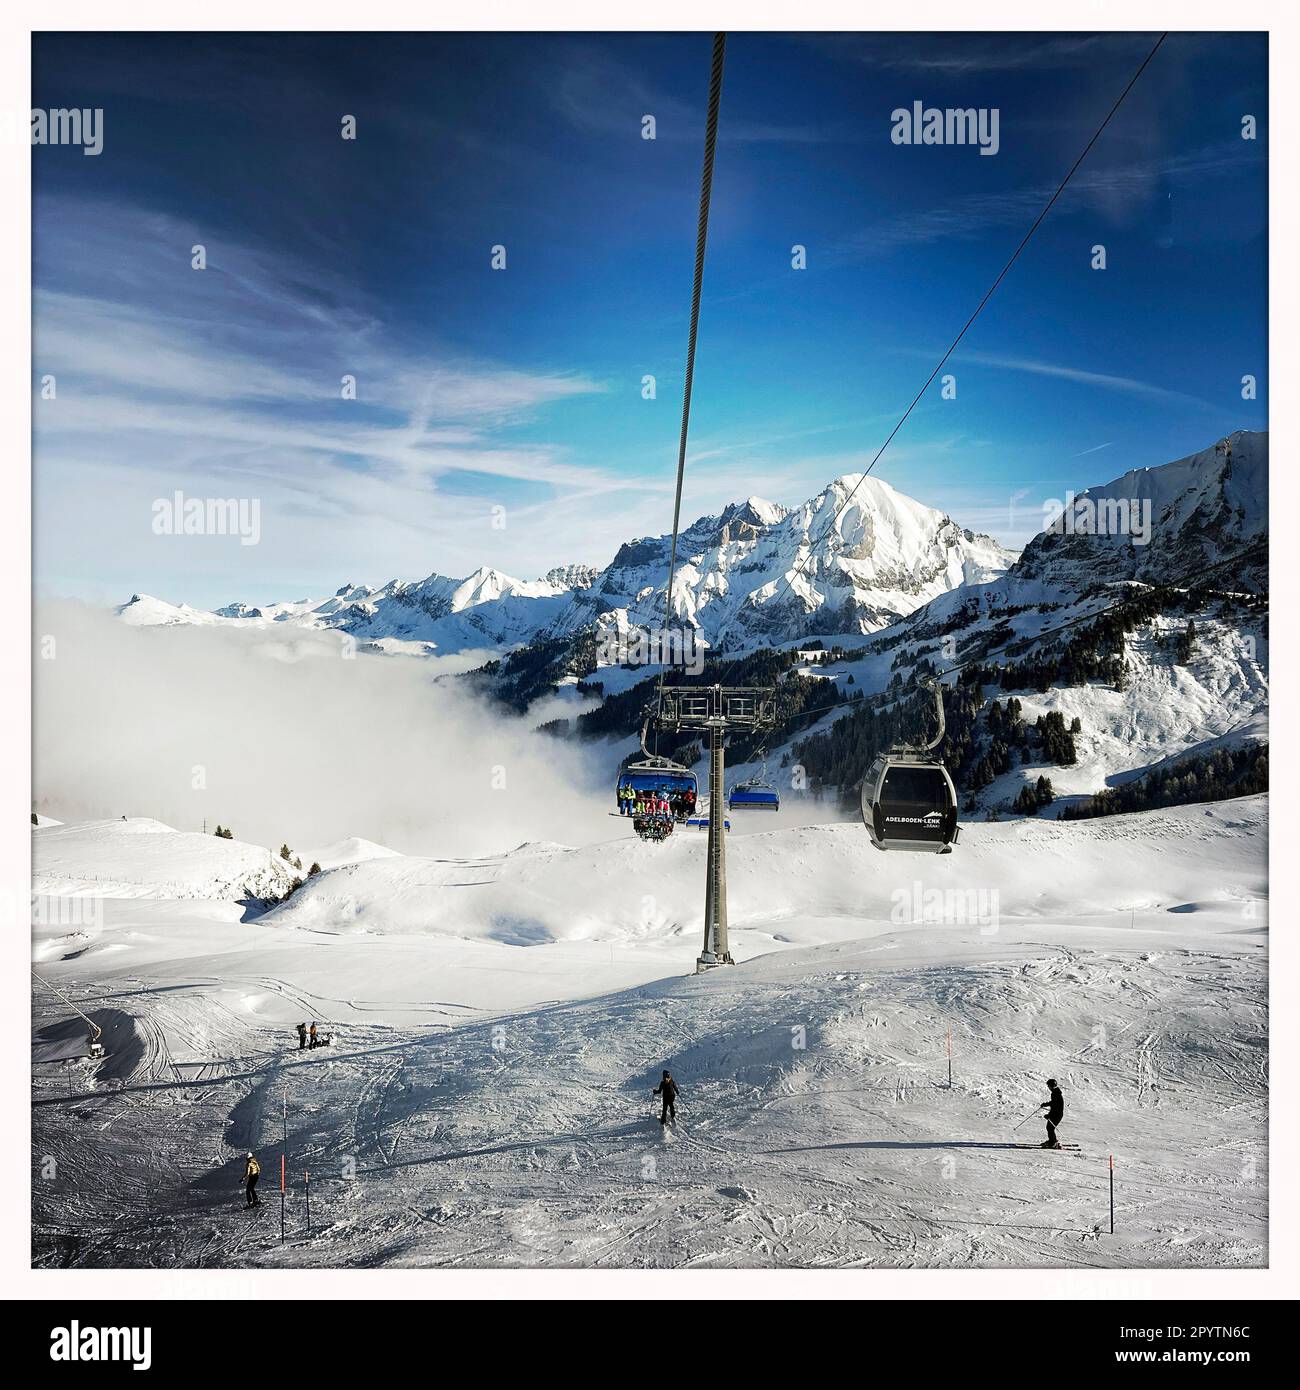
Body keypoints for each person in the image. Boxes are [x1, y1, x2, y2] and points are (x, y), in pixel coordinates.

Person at [1039, 1078, 1064, 1148]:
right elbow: (1054, 1104)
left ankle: (1052, 1142)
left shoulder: (1055, 1094)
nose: (1048, 1087)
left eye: (1048, 1086)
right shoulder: (1056, 1093)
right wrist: (1045, 1104)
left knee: (1050, 1128)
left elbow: (1054, 1106)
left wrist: (1049, 1115)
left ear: (1051, 1086)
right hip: (1057, 1113)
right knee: (1050, 1128)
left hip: (1057, 1114)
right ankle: (1052, 1140)